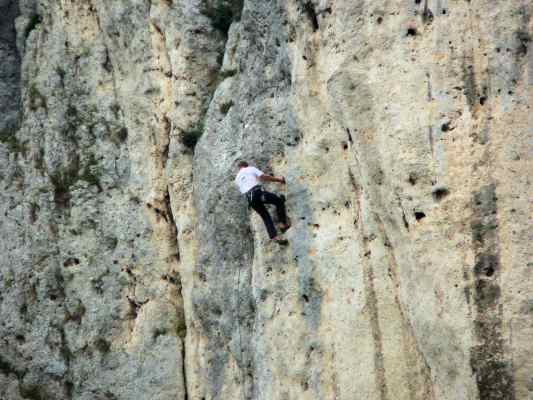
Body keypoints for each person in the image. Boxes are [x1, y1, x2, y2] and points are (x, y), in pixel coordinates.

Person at [235, 161, 291, 245]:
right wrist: (279, 180)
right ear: (246, 165)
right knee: (278, 201)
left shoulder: (237, 179)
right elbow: (264, 177)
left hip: (250, 199)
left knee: (265, 216)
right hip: (257, 192)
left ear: (239, 168)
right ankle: (282, 224)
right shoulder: (250, 169)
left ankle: (274, 237)